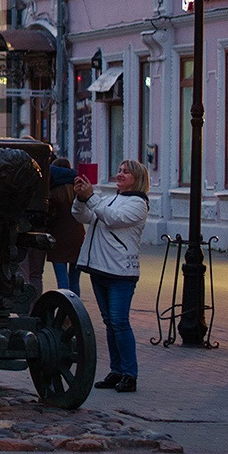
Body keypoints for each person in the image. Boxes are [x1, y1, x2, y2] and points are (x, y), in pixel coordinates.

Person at [73, 158, 149, 392]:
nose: (120, 174)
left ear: (137, 179)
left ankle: (130, 373)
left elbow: (112, 218)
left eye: (126, 172)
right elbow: (83, 216)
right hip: (100, 268)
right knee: (109, 323)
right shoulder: (110, 199)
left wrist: (92, 197)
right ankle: (116, 370)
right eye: (119, 170)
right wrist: (80, 198)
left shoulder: (138, 203)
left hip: (120, 272)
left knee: (119, 321)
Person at [44, 156, 84, 293]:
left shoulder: (53, 193)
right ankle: (75, 310)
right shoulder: (78, 190)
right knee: (75, 280)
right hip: (78, 237)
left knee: (62, 281)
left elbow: (49, 216)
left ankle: (64, 309)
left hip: (58, 238)